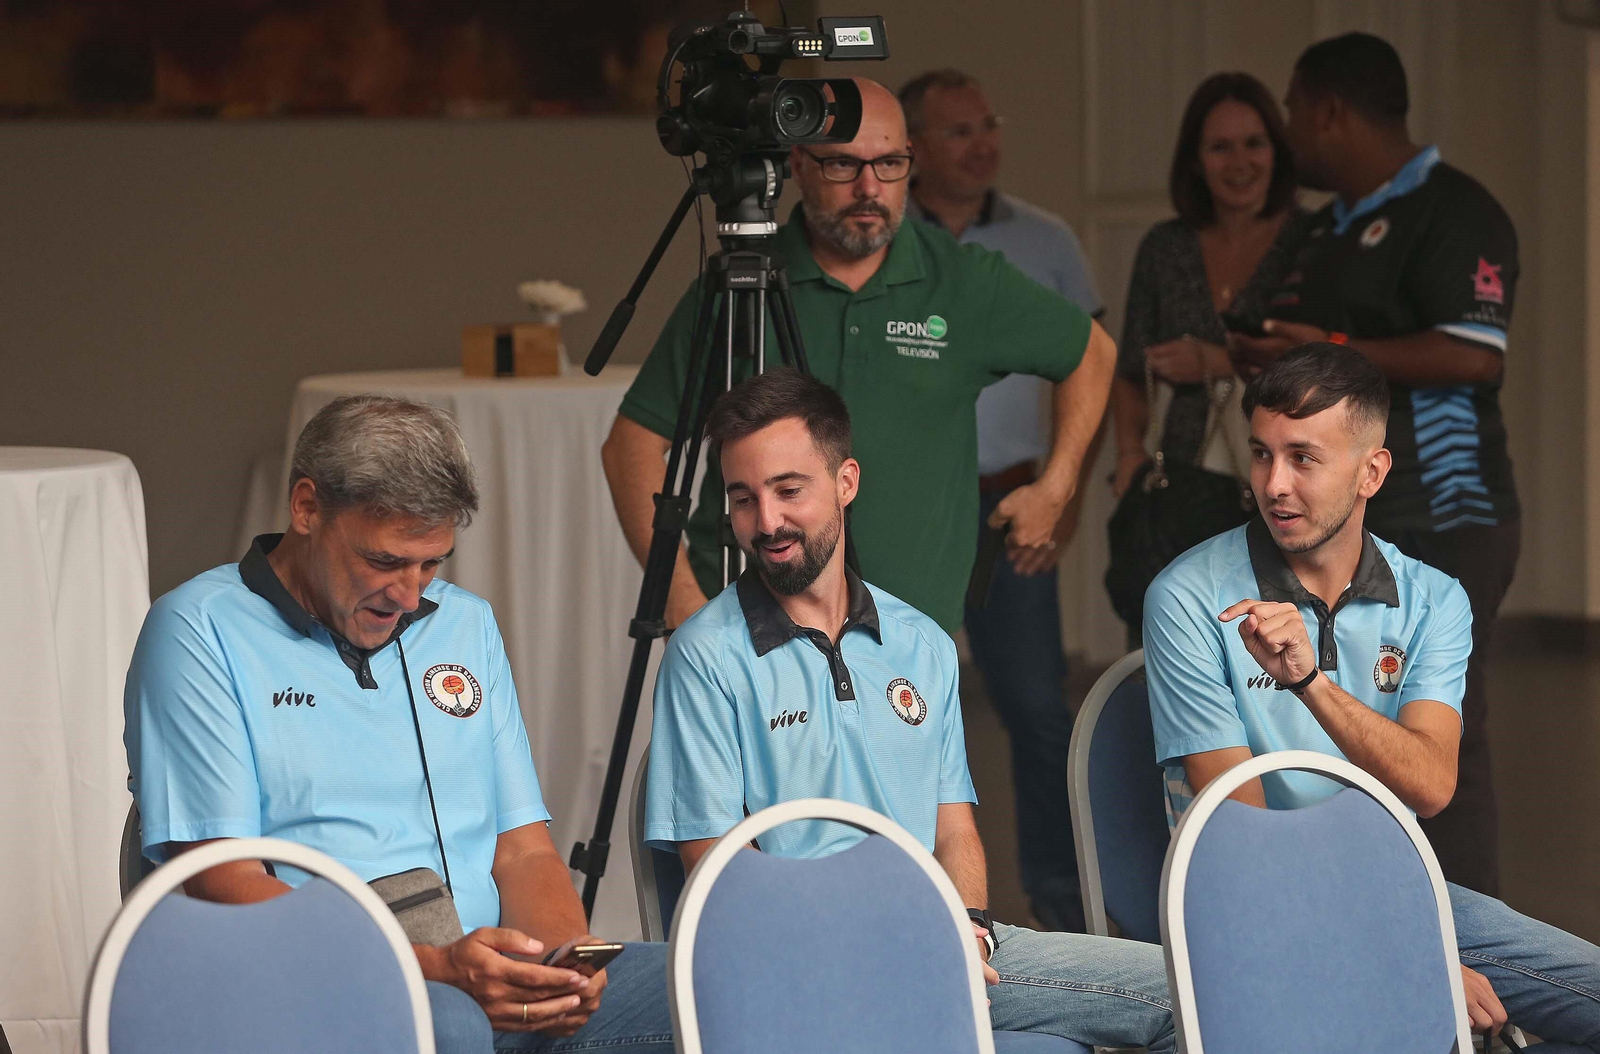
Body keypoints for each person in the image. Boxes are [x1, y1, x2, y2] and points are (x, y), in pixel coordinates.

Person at [644, 369, 1176, 1052]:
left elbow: (953, 829)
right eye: (744, 499)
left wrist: (966, 926)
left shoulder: (921, 643)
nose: (767, 522)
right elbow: (723, 874)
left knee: (1189, 989)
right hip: (802, 965)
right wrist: (884, 958)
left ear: (846, 483)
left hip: (941, 934)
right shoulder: (705, 656)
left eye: (789, 490)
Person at [123, 396, 673, 1054]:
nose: (412, 597)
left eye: (432, 564)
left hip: (484, 980)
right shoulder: (198, 631)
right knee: (449, 1024)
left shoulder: (465, 623)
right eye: (385, 562)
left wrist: (559, 966)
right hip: (315, 993)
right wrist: (437, 971)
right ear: (306, 508)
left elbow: (523, 851)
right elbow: (222, 882)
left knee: (713, 980)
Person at [1145, 345, 1600, 1048]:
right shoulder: (1186, 597)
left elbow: (1430, 784)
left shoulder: (1435, 600)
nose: (1274, 484)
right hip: (1250, 908)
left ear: (1371, 472)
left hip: (1396, 893)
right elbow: (1242, 839)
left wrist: (1308, 683)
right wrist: (1403, 960)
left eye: (1303, 457)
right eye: (1262, 454)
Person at [602, 76, 1115, 638]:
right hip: (742, 627)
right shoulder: (744, 281)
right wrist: (682, 604)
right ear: (798, 164)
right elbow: (632, 442)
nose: (869, 187)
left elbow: (1092, 352)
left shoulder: (962, 281)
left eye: (890, 164)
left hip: (907, 639)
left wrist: (1057, 487)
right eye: (843, 165)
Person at [1232, 32, 1519, 896]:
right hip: (1338, 514)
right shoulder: (1321, 228)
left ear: (1328, 111)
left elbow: (1476, 356)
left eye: (1288, 111)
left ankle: (1468, 939)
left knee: (1438, 731)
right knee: (1324, 714)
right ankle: (1347, 912)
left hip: (1447, 513)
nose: (1285, 132)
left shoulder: (1458, 210)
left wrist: (1333, 345)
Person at [899, 66, 1103, 934]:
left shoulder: (1047, 238)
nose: (983, 144)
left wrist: (1064, 495)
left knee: (1035, 706)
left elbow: (1086, 369)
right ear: (908, 151)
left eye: (990, 124)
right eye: (958, 131)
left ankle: (1064, 908)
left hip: (1012, 505)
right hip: (906, 511)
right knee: (893, 704)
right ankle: (904, 897)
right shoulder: (880, 241)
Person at [1108, 71, 1308, 646]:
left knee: (1274, 656)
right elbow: (1129, 370)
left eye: (1254, 143)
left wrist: (1221, 361)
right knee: (1170, 646)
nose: (1239, 162)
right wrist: (1128, 458)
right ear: (1195, 160)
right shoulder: (1166, 247)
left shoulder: (1309, 237)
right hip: (1185, 483)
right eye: (1220, 146)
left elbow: (1329, 356)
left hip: (1288, 482)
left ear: (1278, 150)